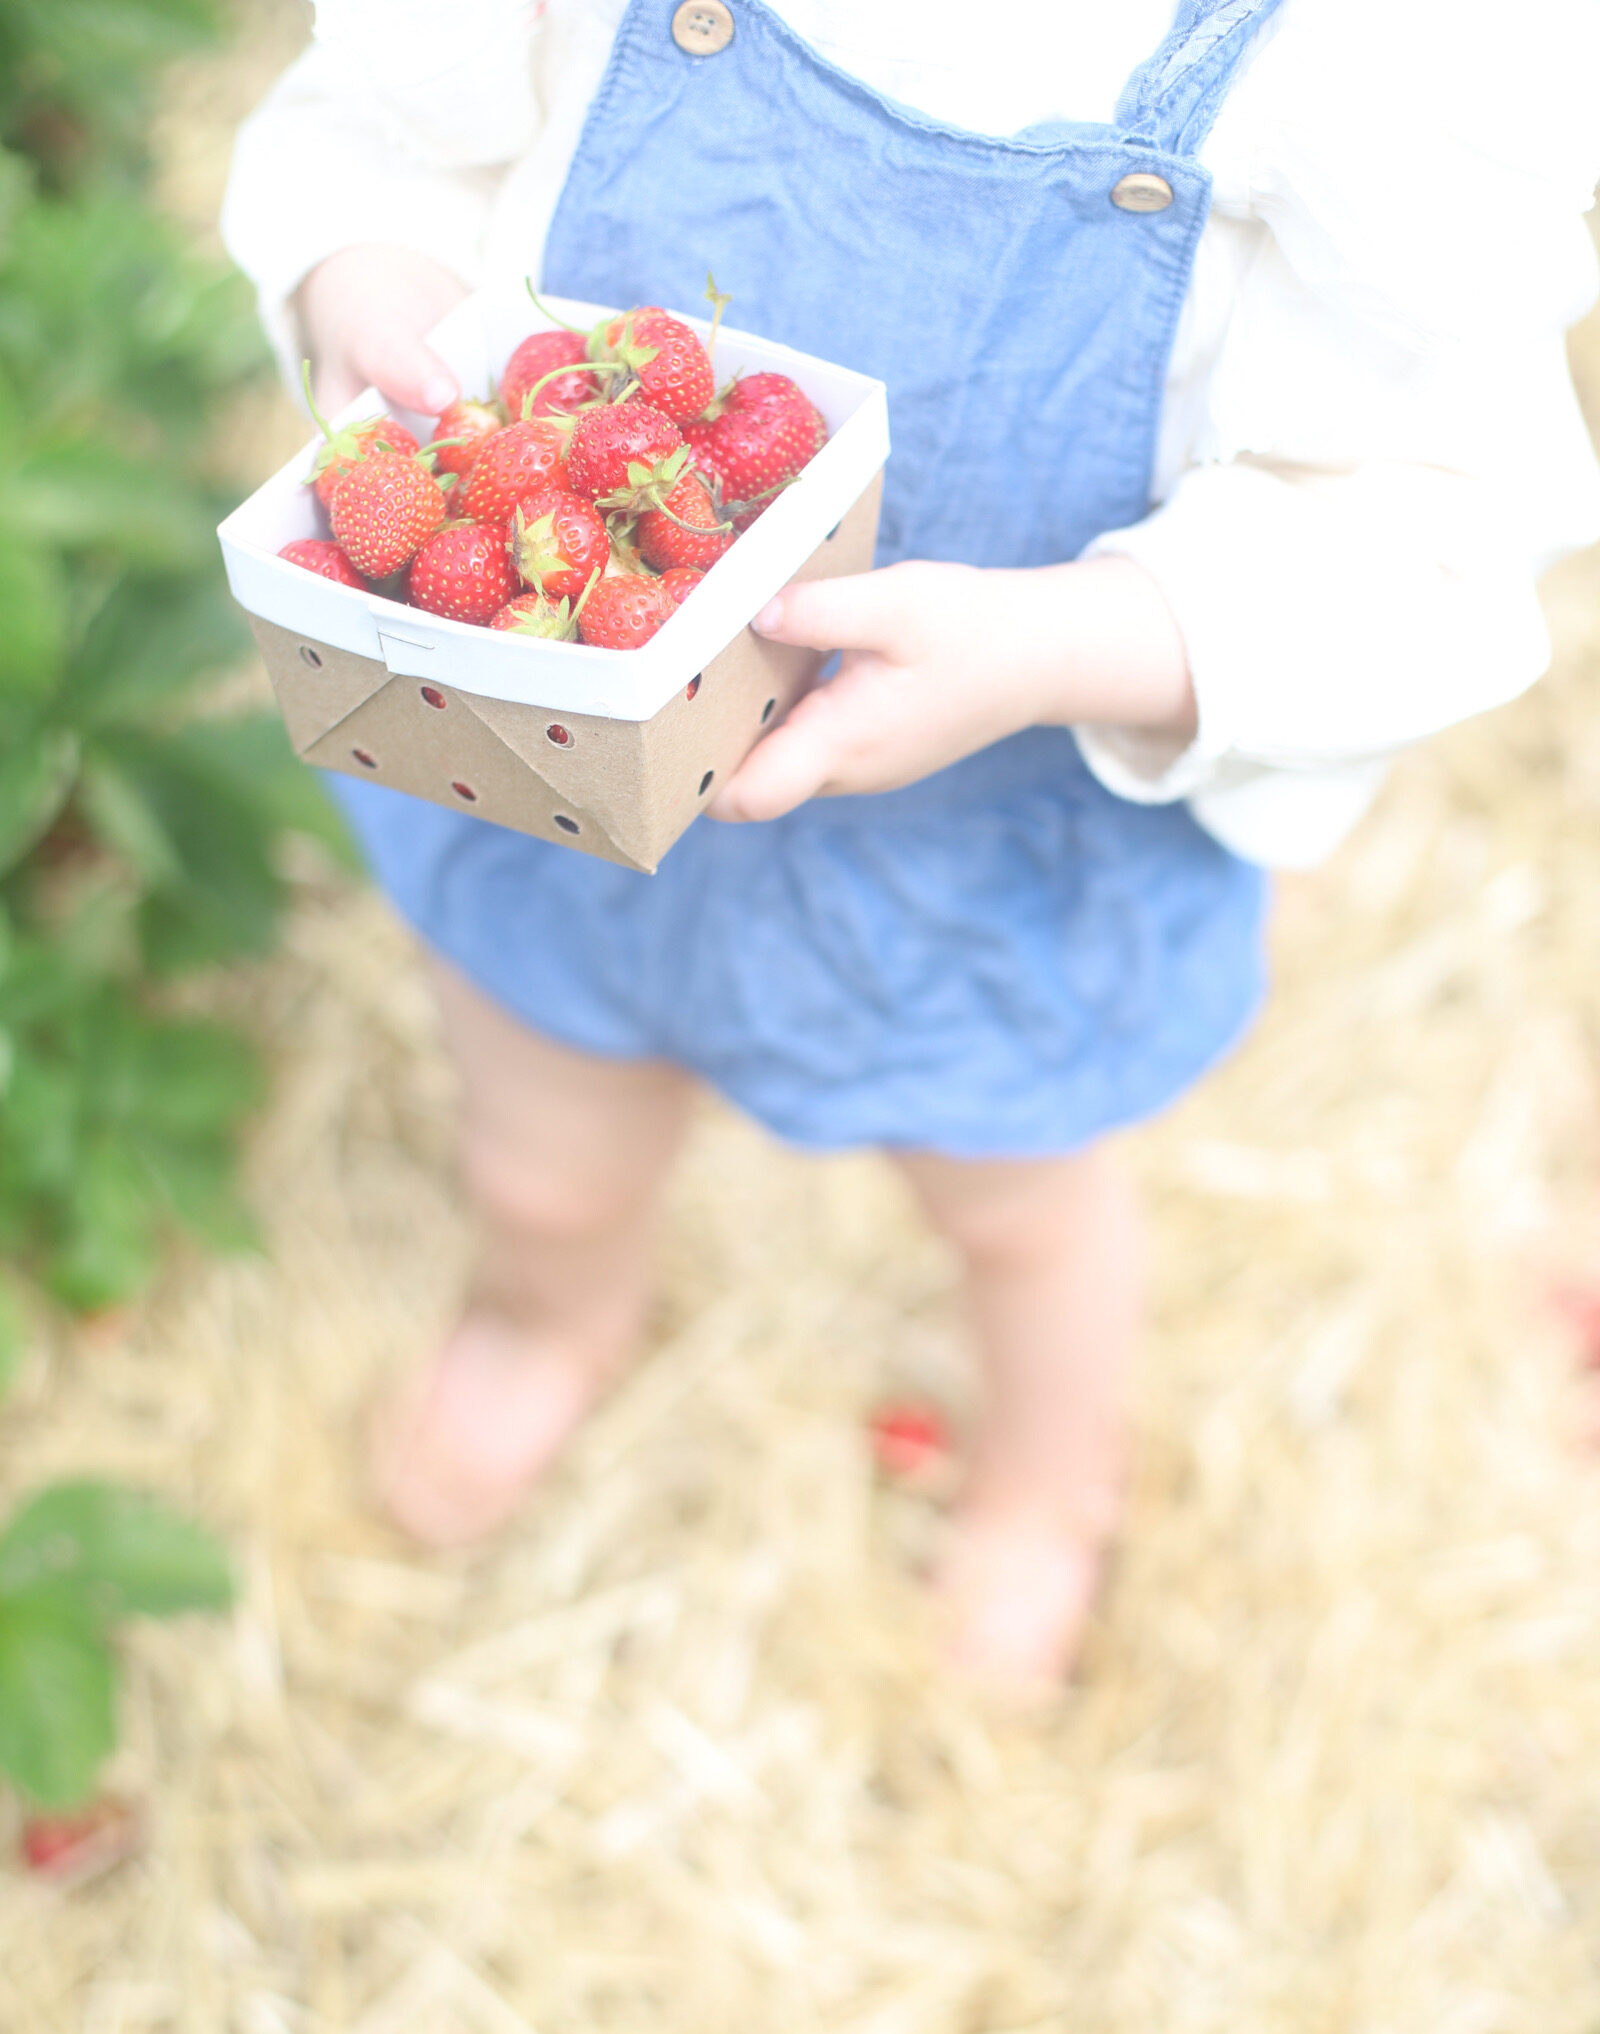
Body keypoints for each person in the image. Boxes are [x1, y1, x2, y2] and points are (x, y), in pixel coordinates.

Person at [222, 0, 1600, 1689]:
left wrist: (1071, 639)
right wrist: (375, 286)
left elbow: (1425, 536)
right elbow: (387, 129)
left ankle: (1047, 1479)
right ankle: (549, 1305)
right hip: (559, 749)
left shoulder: (1359, 70)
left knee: (1016, 1212)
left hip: (986, 830)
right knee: (540, 1149)